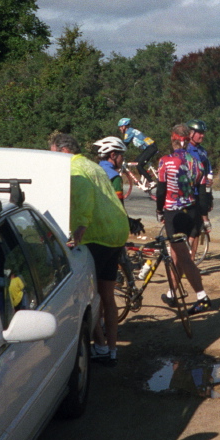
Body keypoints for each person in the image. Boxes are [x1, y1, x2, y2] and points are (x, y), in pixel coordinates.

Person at [50, 133, 130, 367]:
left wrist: (77, 235)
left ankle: (101, 346)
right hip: (116, 231)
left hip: (97, 234)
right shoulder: (92, 165)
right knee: (107, 295)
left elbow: (84, 203)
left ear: (63, 151)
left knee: (89, 296)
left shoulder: (74, 169)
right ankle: (112, 351)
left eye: (53, 152)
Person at [156, 124, 211, 315]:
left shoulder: (165, 161)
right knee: (177, 256)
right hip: (193, 211)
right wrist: (203, 216)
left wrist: (159, 210)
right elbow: (202, 193)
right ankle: (172, 293)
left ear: (173, 140)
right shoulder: (197, 162)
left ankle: (202, 297)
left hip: (174, 213)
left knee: (184, 258)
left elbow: (161, 189)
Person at [186, 119, 213, 259]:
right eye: (199, 133)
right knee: (191, 229)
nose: (202, 136)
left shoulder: (202, 151)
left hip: (202, 193)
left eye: (203, 133)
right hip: (190, 195)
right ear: (191, 133)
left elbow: (208, 171)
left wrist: (209, 196)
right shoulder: (186, 150)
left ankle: (191, 260)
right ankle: (186, 260)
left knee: (196, 229)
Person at [117, 118, 158, 185]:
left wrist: (117, 152)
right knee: (136, 162)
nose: (120, 129)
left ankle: (151, 182)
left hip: (150, 148)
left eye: (120, 127)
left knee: (139, 165)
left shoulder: (129, 132)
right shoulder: (131, 130)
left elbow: (124, 145)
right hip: (150, 147)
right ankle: (142, 180)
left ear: (124, 126)